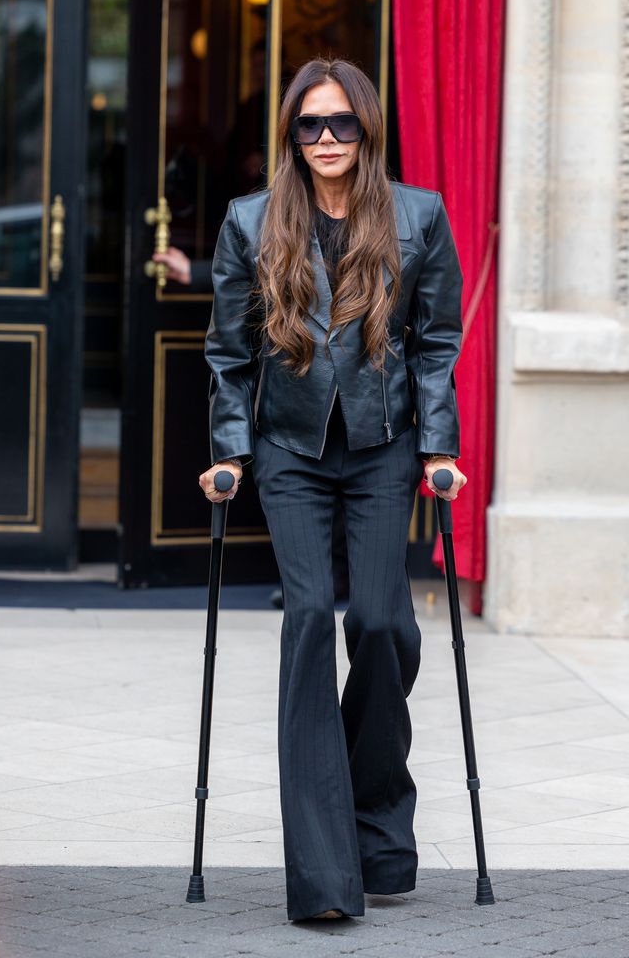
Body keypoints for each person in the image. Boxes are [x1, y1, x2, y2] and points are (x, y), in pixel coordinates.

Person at [198, 57, 466, 923]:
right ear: (291, 133)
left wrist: (440, 448)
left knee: (383, 624)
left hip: (385, 448)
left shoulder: (418, 216)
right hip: (290, 454)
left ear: (367, 130)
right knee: (311, 621)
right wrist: (230, 450)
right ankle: (322, 874)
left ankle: (380, 827)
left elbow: (436, 341)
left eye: (341, 125)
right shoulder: (250, 223)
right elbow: (230, 352)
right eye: (310, 125)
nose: (324, 139)